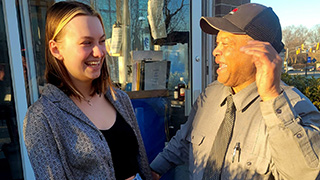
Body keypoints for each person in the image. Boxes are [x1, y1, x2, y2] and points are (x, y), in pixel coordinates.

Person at [150, 3, 320, 180]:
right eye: (217, 43)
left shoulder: (295, 109)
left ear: (261, 52)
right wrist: (154, 170)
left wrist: (271, 98)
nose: (216, 51)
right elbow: (184, 140)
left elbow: (303, 174)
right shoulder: (211, 94)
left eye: (226, 43)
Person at [23, 1, 152, 180]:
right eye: (86, 43)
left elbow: (141, 163)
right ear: (56, 49)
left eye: (101, 41)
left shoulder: (119, 98)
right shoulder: (43, 117)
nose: (99, 52)